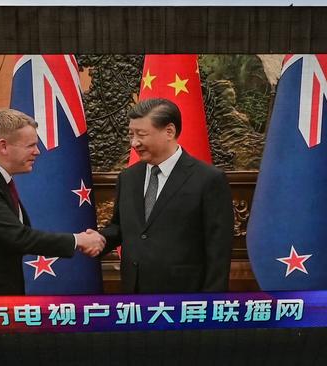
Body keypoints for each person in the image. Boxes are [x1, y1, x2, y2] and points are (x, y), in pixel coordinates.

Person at [0, 109, 104, 296]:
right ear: (3, 146)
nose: (37, 152)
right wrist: (78, 240)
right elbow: (18, 237)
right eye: (30, 145)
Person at [98, 98, 233, 293]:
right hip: (134, 298)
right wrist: (96, 240)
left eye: (141, 134)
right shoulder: (128, 177)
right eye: (131, 134)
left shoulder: (208, 179)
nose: (134, 142)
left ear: (169, 131)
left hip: (184, 300)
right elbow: (121, 227)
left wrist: (210, 306)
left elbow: (218, 250)